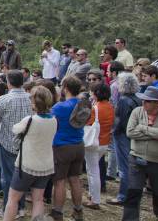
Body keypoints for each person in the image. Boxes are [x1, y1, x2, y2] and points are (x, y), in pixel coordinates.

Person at [3, 86, 57, 221]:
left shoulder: (30, 120)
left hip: (26, 166)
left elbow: (15, 129)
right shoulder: (54, 120)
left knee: (13, 199)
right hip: (45, 166)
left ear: (33, 102)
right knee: (38, 199)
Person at [0, 70, 31, 216]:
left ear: (8, 82)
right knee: (21, 175)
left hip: (8, 142)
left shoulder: (4, 99)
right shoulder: (30, 97)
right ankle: (21, 207)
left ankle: (8, 208)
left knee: (7, 177)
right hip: (25, 142)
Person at [123, 85, 158, 220]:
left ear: (157, 102)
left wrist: (142, 128)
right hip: (136, 157)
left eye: (148, 101)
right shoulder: (137, 112)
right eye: (143, 100)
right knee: (133, 192)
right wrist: (154, 134)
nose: (143, 102)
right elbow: (130, 132)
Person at [49, 76, 86, 221]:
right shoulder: (84, 104)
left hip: (62, 146)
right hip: (78, 144)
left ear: (66, 88)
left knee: (59, 181)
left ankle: (57, 213)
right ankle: (78, 211)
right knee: (75, 179)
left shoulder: (60, 107)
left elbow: (50, 121)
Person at [108, 73, 142, 206]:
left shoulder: (123, 100)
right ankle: (131, 195)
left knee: (124, 167)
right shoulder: (137, 99)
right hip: (133, 135)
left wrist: (113, 132)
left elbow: (119, 121)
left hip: (122, 135)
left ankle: (123, 196)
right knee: (132, 166)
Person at [83, 83, 114, 209]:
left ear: (96, 93)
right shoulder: (110, 107)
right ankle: (92, 195)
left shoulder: (95, 108)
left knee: (92, 171)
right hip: (104, 141)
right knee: (94, 169)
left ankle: (95, 200)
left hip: (93, 142)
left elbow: (87, 122)